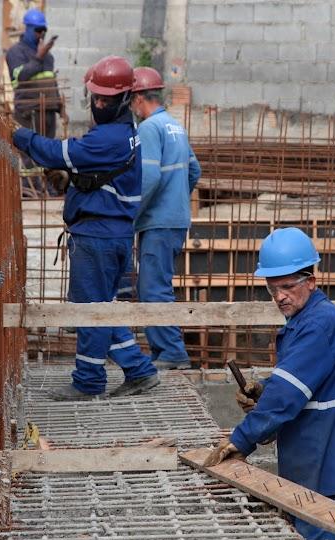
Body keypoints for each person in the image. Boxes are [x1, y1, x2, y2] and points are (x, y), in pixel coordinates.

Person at [203, 228, 335, 540]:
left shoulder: (317, 324)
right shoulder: (314, 318)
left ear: (311, 281)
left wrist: (241, 439)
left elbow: (288, 396)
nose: (280, 296)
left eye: (288, 286)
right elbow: (301, 380)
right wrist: (266, 387)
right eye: (273, 289)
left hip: (320, 454)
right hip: (319, 451)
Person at [12, 55, 159, 401]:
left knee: (88, 310)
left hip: (98, 237)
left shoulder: (107, 138)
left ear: (125, 99)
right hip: (111, 234)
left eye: (106, 98)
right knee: (102, 307)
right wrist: (77, 180)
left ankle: (88, 381)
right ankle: (139, 370)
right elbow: (96, 170)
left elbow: (55, 151)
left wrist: (19, 134)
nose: (99, 103)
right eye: (95, 97)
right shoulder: (125, 134)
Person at [130, 67, 201, 370]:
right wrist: (177, 200)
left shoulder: (148, 128)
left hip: (158, 221)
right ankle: (163, 351)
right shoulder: (175, 126)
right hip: (175, 219)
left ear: (137, 98)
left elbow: (148, 177)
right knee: (158, 284)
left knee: (152, 289)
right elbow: (194, 170)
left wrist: (130, 214)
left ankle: (172, 352)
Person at [5, 8, 62, 139]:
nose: (41, 34)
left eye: (44, 30)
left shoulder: (48, 56)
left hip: (48, 112)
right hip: (28, 111)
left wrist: (60, 107)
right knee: (29, 154)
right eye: (38, 30)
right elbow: (20, 76)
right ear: (28, 29)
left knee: (47, 154)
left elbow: (52, 82)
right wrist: (39, 57)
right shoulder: (16, 52)